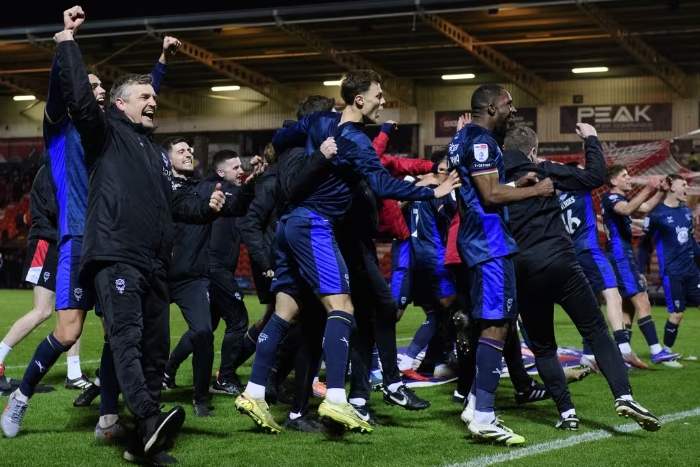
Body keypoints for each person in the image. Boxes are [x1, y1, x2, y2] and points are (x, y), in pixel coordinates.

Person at [5, 7, 225, 461]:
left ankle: (109, 417)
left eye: (103, 90)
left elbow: (140, 104)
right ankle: (21, 396)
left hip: (114, 238)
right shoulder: (63, 129)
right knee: (68, 330)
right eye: (93, 88)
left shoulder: (116, 135)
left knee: (117, 333)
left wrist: (160, 65)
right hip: (77, 238)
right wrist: (66, 45)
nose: (99, 92)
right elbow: (70, 91)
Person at [235, 69, 460, 434]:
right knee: (343, 308)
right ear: (359, 99)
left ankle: (254, 391)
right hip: (315, 226)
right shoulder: (355, 139)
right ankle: (338, 398)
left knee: (285, 311)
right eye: (378, 95)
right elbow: (382, 183)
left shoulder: (319, 122)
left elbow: (280, 136)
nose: (382, 101)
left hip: (290, 225)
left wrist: (309, 152)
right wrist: (431, 191)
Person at [501, 123, 661, 433]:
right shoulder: (543, 170)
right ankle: (624, 396)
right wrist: (591, 139)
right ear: (532, 151)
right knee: (597, 331)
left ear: (504, 150)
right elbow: (595, 177)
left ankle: (567, 412)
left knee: (544, 348)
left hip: (522, 269)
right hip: (561, 262)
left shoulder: (490, 178)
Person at [447, 84, 553, 446]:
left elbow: (481, 188)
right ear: (492, 107)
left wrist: (515, 183)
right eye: (508, 104)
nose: (513, 109)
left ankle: (475, 404)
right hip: (488, 243)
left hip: (478, 240)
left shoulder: (463, 137)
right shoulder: (481, 141)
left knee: (499, 323)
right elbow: (490, 195)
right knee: (496, 325)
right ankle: (485, 416)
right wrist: (534, 191)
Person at [161, 138, 257, 417]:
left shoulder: (204, 187)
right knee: (139, 333)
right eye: (181, 150)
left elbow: (235, 206)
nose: (188, 153)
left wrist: (249, 188)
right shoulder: (159, 186)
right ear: (167, 159)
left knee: (203, 331)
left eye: (189, 150)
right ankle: (105, 387)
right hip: (159, 274)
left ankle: (200, 397)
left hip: (193, 276)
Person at [559, 159, 646, 371]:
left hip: (571, 255)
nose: (585, 174)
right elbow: (596, 175)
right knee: (613, 296)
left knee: (593, 304)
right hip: (589, 250)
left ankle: (588, 355)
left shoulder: (559, 199)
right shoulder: (582, 189)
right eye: (581, 172)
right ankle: (624, 349)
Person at [602, 166, 681, 364]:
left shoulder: (620, 199)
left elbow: (644, 208)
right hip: (620, 255)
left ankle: (623, 354)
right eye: (624, 175)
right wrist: (647, 188)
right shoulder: (612, 198)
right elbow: (628, 209)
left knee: (628, 306)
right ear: (613, 182)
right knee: (642, 298)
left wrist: (660, 192)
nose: (629, 178)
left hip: (622, 255)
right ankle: (656, 351)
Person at [0, 165, 59, 392]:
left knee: (72, 309)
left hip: (57, 244)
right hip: (45, 243)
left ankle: (74, 372)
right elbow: (55, 209)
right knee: (42, 310)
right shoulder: (51, 170)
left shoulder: (57, 169)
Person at [639, 174, 700, 358]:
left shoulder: (687, 211)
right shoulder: (656, 215)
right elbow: (644, 244)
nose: (687, 188)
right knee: (677, 314)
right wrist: (640, 270)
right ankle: (666, 351)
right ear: (672, 187)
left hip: (692, 271)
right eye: (684, 184)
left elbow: (690, 240)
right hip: (672, 272)